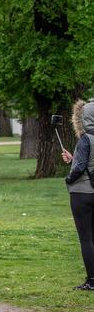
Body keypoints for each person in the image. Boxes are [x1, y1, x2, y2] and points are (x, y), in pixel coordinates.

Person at [61, 100, 94, 291]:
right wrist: (73, 159)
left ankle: (91, 280)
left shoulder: (85, 139)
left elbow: (81, 168)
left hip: (82, 194)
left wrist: (69, 178)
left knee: (86, 238)